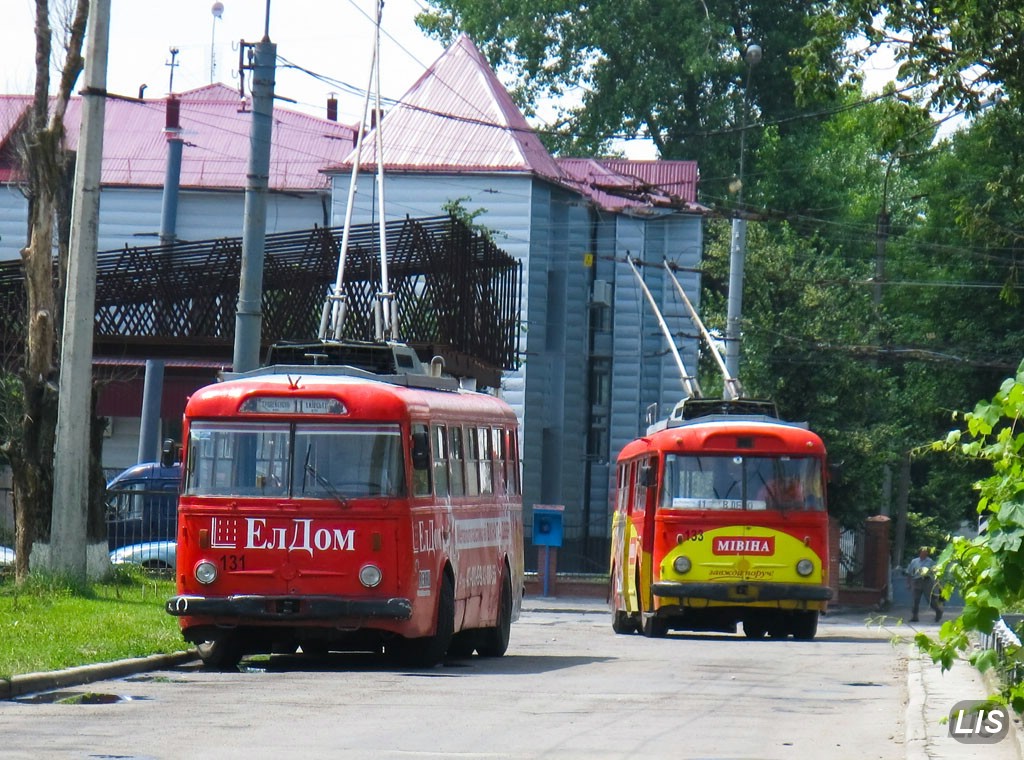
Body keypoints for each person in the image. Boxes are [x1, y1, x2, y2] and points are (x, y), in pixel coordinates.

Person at [906, 546, 943, 622]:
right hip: (916, 581)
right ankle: (914, 616)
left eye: (926, 552)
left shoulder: (930, 561)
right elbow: (909, 572)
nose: (924, 553)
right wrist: (909, 583)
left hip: (927, 581)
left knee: (930, 599)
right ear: (920, 552)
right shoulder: (914, 561)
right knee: (915, 600)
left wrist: (937, 582)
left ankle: (938, 611)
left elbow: (935, 571)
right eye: (922, 551)